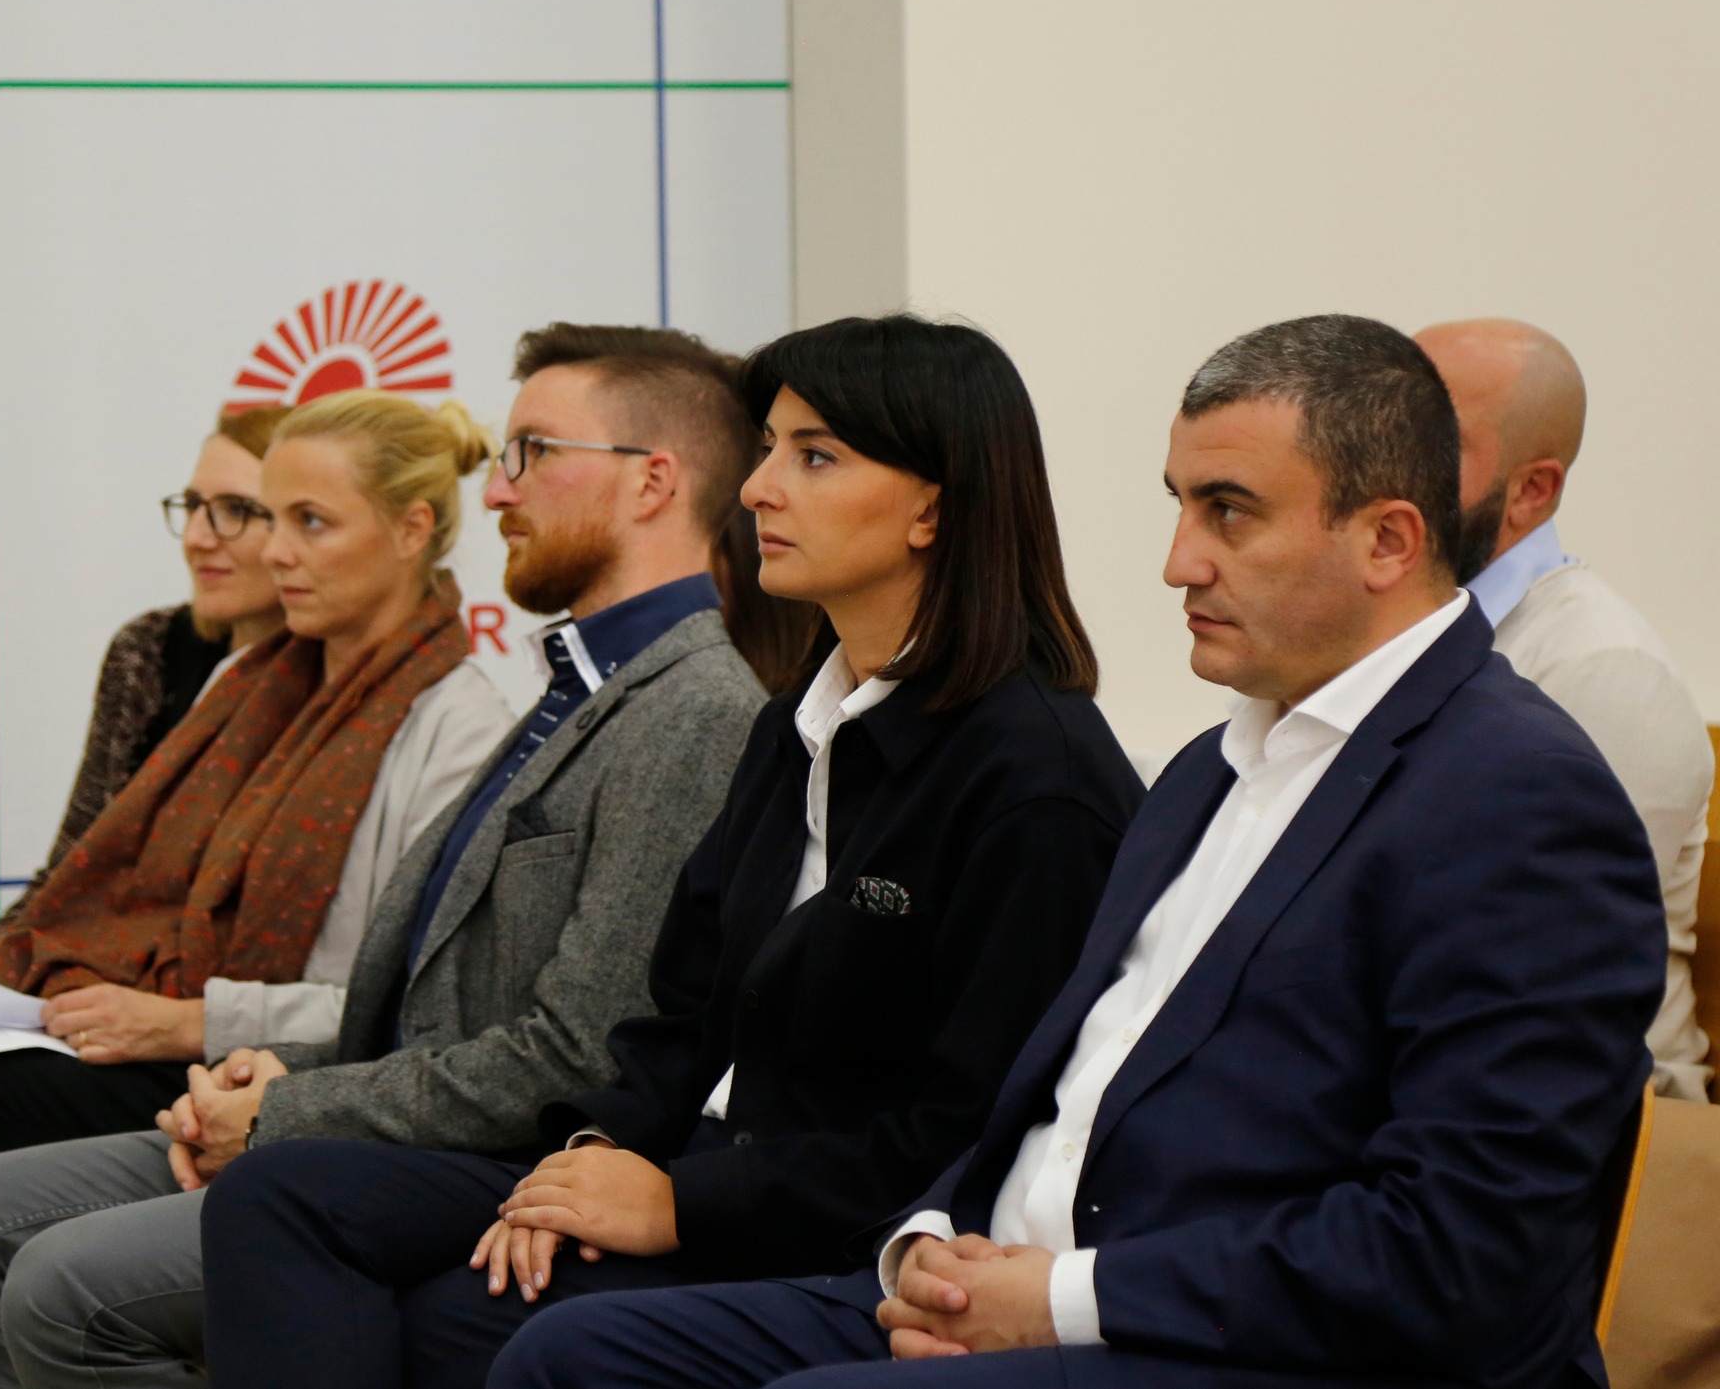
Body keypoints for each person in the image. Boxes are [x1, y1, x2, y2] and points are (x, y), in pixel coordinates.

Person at [486, 314, 1666, 1389]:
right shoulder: (1210, 768)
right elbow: (1041, 1097)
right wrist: (929, 1247)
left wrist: (1056, 1297)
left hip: (1247, 1339)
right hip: (1033, 1283)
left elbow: (1460, 1251)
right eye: (1178, 504)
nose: (1177, 560)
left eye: (1228, 511)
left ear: (1386, 539)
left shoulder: (1514, 796)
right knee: (570, 1358)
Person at [195, 314, 1147, 1389]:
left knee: (458, 1323)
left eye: (814, 457)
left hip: (843, 1231)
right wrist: (593, 1154)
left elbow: (970, 1129)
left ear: (931, 506)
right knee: (278, 1196)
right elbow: (678, 1015)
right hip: (691, 1164)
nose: (757, 488)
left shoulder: (1035, 778)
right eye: (768, 449)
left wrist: (677, 1202)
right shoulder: (796, 723)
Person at [0, 323, 774, 1388]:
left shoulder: (693, 710)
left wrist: (287, 1108)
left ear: (653, 481)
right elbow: (430, 999)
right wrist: (284, 1073)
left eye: (532, 452)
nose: (497, 490)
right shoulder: (579, 688)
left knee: (62, 1285)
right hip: (375, 1107)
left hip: (476, 1155)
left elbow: (576, 1058)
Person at [0, 390, 516, 1389]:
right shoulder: (247, 682)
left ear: (411, 529)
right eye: (269, 517)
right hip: (134, 1025)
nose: (274, 550)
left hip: (236, 1070)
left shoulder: (460, 731)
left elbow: (406, 1012)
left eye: (308, 521)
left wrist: (183, 1019)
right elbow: (118, 889)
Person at [1417, 317, 1713, 1100]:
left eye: (1430, 439)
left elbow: (1541, 970)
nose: (1382, 463)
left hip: (1602, 1127)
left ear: (1532, 490)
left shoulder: (1604, 671)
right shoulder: (1387, 635)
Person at [37, 403, 286, 874]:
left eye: (235, 510)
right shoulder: (149, 648)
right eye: (193, 507)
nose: (196, 538)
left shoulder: (340, 677)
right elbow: (73, 869)